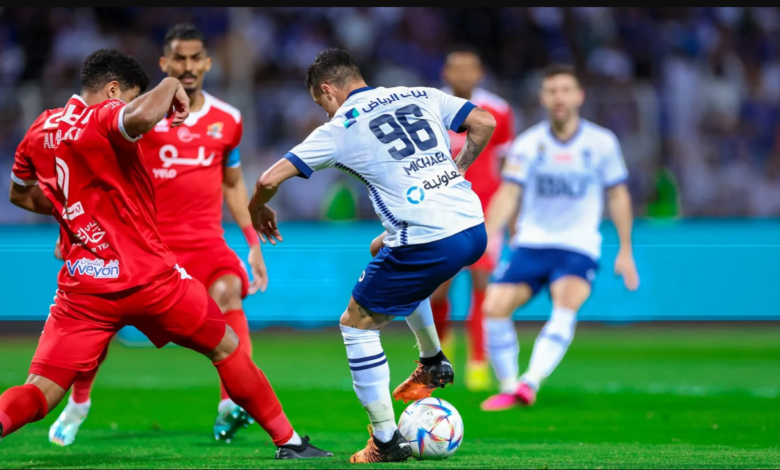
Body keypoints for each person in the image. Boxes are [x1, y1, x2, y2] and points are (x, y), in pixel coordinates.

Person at [2, 49, 332, 461]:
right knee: (226, 347)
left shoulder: (40, 127)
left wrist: (71, 210)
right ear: (112, 91)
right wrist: (171, 85)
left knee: (40, 390)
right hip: (150, 279)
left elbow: (20, 194)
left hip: (84, 287)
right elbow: (138, 118)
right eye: (129, 96)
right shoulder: (105, 115)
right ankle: (289, 442)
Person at [248, 48, 495, 463]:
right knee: (381, 248)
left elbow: (268, 178)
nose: (323, 111)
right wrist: (459, 170)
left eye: (319, 102)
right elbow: (483, 123)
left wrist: (256, 209)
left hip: (429, 237)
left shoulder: (339, 127)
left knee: (356, 325)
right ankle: (432, 360)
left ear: (328, 90)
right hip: (472, 225)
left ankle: (385, 442)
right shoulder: (420, 93)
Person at [48, 23, 268, 447]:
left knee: (228, 294)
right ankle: (79, 401)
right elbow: (88, 173)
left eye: (194, 58)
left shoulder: (229, 120)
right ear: (165, 64)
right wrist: (70, 233)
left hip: (205, 241)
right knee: (99, 325)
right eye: (178, 59)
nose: (187, 67)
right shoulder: (138, 114)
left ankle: (230, 405)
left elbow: (233, 185)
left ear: (207, 62)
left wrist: (252, 242)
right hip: (141, 244)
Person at [480, 64, 640, 411]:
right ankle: (509, 386)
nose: (559, 97)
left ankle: (529, 382)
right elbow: (508, 194)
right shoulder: (528, 144)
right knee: (493, 307)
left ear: (579, 96)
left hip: (578, 244)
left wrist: (625, 250)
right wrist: (488, 233)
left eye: (566, 90)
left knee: (565, 301)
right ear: (543, 98)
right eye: (552, 91)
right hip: (533, 242)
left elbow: (618, 196)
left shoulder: (601, 143)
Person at [430, 45, 516, 391]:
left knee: (483, 284)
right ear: (446, 74)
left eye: (470, 68)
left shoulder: (498, 110)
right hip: (441, 210)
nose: (463, 74)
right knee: (437, 289)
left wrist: (511, 214)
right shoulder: (432, 107)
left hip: (485, 210)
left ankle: (478, 363)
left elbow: (509, 165)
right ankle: (441, 354)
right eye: (456, 68)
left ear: (479, 73)